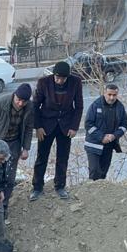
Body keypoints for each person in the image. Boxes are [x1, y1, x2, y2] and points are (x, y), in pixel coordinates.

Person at [31, 61, 83, 200]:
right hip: (46, 124)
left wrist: (74, 127)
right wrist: (38, 126)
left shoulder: (76, 82)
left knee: (63, 158)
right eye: (57, 78)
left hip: (65, 126)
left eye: (63, 78)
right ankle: (37, 187)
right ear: (54, 75)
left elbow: (79, 107)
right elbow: (35, 106)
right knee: (42, 157)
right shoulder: (43, 82)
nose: (60, 81)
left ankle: (60, 186)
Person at [0, 84, 34, 206]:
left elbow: (29, 129)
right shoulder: (0, 103)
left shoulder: (30, 107)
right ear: (14, 95)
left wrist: (26, 148)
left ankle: (3, 206)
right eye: (18, 100)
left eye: (24, 101)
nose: (20, 103)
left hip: (14, 143)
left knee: (9, 177)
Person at [84, 83, 127, 181]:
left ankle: (100, 194)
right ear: (105, 93)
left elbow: (124, 124)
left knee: (103, 174)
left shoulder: (120, 107)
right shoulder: (96, 105)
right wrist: (101, 137)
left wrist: (114, 136)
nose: (112, 97)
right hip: (93, 145)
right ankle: (91, 193)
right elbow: (88, 124)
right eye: (109, 94)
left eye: (114, 95)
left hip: (109, 145)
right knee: (95, 172)